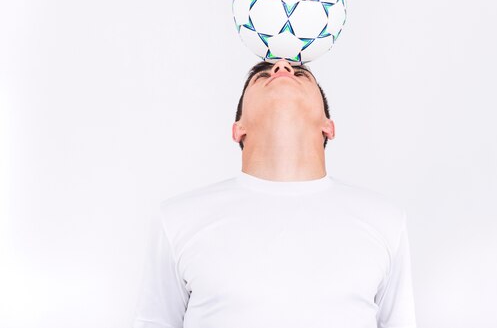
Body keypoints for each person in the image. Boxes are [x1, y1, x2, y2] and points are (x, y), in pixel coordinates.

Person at [132, 59, 417, 328]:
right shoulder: (177, 220)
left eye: (301, 73)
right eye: (263, 75)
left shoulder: (385, 220)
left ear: (328, 127)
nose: (282, 66)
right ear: (237, 129)